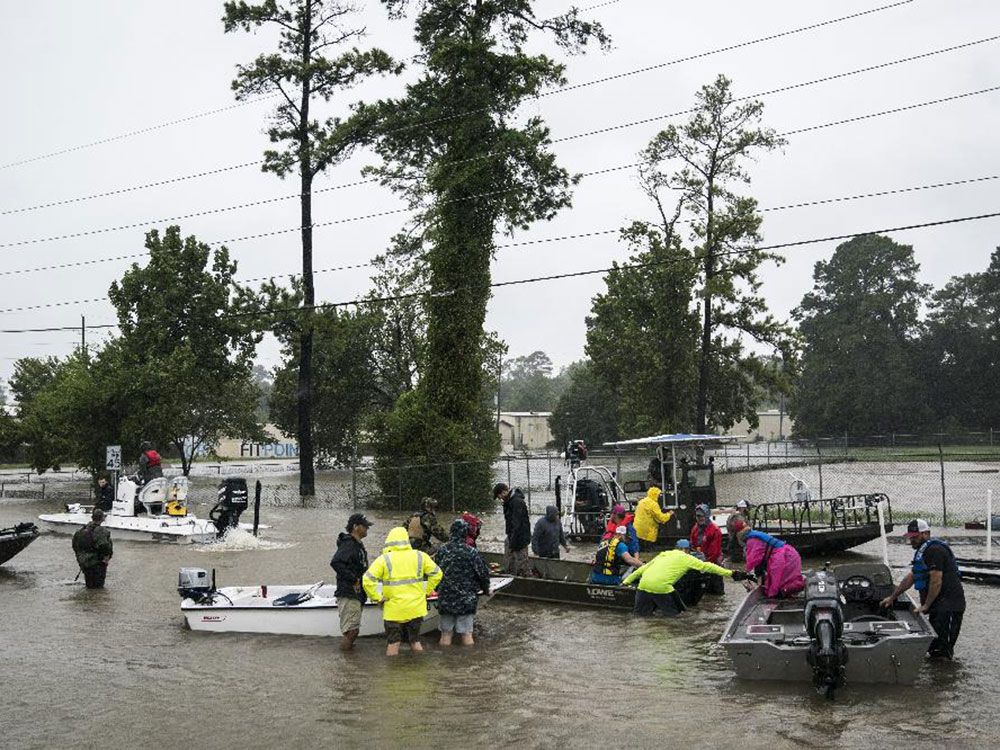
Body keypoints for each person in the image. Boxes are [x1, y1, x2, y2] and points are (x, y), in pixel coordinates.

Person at [879, 519, 966, 659]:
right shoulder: (924, 551)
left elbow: (936, 581)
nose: (912, 540)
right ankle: (938, 676)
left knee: (942, 652)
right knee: (933, 649)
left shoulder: (935, 550)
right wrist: (892, 597)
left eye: (915, 536)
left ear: (926, 534)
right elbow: (911, 578)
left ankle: (944, 676)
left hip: (949, 606)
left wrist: (926, 605)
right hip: (938, 606)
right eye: (910, 537)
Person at [363, 527, 443, 657]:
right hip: (415, 608)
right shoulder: (420, 556)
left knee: (393, 643)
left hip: (394, 610)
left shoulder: (384, 559)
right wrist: (426, 591)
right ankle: (420, 668)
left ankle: (393, 674)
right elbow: (437, 573)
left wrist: (377, 597)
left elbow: (367, 579)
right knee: (415, 641)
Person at [623, 546, 748, 617]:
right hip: (662, 588)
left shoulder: (663, 555)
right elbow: (708, 566)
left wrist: (626, 582)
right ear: (687, 550)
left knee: (640, 617)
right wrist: (731, 573)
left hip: (643, 585)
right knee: (678, 617)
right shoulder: (687, 558)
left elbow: (642, 569)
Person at [435, 518, 492, 646]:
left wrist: (438, 589)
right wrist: (486, 589)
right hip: (466, 599)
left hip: (446, 598)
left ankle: (443, 662)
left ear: (451, 532)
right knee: (467, 634)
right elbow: (483, 574)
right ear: (465, 533)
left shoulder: (442, 551)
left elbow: (434, 572)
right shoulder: (471, 552)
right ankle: (467, 662)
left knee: (445, 634)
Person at [330, 513, 373, 652]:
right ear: (355, 527)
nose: (367, 529)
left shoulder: (357, 545)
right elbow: (336, 562)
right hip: (349, 592)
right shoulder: (349, 544)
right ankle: (345, 666)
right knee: (352, 631)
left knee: (352, 630)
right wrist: (353, 579)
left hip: (356, 593)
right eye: (365, 526)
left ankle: (349, 661)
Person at [739, 527, 805, 598]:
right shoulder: (756, 535)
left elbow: (753, 560)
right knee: (788, 580)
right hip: (790, 554)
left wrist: (745, 573)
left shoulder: (751, 541)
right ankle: (790, 592)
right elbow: (758, 564)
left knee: (776, 586)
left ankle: (779, 594)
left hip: (783, 557)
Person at [72, 508, 113, 589]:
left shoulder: (81, 530)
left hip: (84, 563)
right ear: (102, 518)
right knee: (98, 589)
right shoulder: (101, 531)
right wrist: (106, 558)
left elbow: (75, 545)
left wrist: (80, 558)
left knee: (89, 586)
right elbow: (104, 546)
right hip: (97, 563)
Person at [690, 504, 724, 594]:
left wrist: (706, 563)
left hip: (714, 562)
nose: (699, 518)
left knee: (717, 591)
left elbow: (715, 552)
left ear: (707, 515)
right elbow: (692, 545)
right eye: (697, 516)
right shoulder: (695, 529)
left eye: (702, 516)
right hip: (701, 561)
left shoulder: (715, 530)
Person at [498, 483, 531, 575]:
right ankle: (509, 573)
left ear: (504, 492)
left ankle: (525, 578)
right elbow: (510, 521)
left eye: (499, 495)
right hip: (512, 535)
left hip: (520, 537)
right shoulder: (509, 502)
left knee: (522, 560)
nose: (500, 498)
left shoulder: (517, 502)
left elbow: (518, 524)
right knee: (509, 557)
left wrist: (513, 540)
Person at [633, 486, 673, 552]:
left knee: (641, 546)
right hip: (647, 530)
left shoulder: (642, 501)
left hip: (637, 528)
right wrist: (669, 514)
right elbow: (661, 518)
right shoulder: (653, 504)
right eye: (659, 495)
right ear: (655, 494)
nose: (660, 496)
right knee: (648, 547)